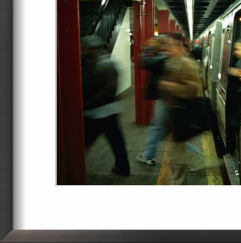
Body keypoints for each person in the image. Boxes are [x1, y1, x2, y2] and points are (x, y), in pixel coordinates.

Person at [81, 34, 130, 176]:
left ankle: (74, 170)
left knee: (85, 141)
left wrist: (86, 104)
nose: (84, 50)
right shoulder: (99, 61)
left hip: (99, 110)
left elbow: (108, 90)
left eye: (85, 48)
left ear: (91, 48)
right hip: (108, 110)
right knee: (116, 140)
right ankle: (123, 167)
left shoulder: (102, 63)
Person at [159, 32, 203, 184]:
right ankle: (183, 176)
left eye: (170, 45)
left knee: (175, 156)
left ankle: (183, 178)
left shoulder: (186, 64)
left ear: (179, 46)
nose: (166, 48)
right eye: (166, 45)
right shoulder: (172, 61)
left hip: (183, 113)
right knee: (176, 154)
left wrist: (170, 86)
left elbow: (192, 90)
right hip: (174, 114)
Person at [135, 36, 170, 165]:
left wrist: (147, 48)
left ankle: (149, 155)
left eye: (153, 42)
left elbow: (143, 62)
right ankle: (149, 154)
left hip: (163, 97)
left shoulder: (162, 56)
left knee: (157, 128)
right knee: (166, 128)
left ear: (158, 44)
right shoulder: (163, 55)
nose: (150, 43)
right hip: (164, 96)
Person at [226, 39, 241, 155]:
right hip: (237, 98)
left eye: (238, 49)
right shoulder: (240, 62)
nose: (235, 52)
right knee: (233, 124)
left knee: (235, 124)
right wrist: (231, 71)